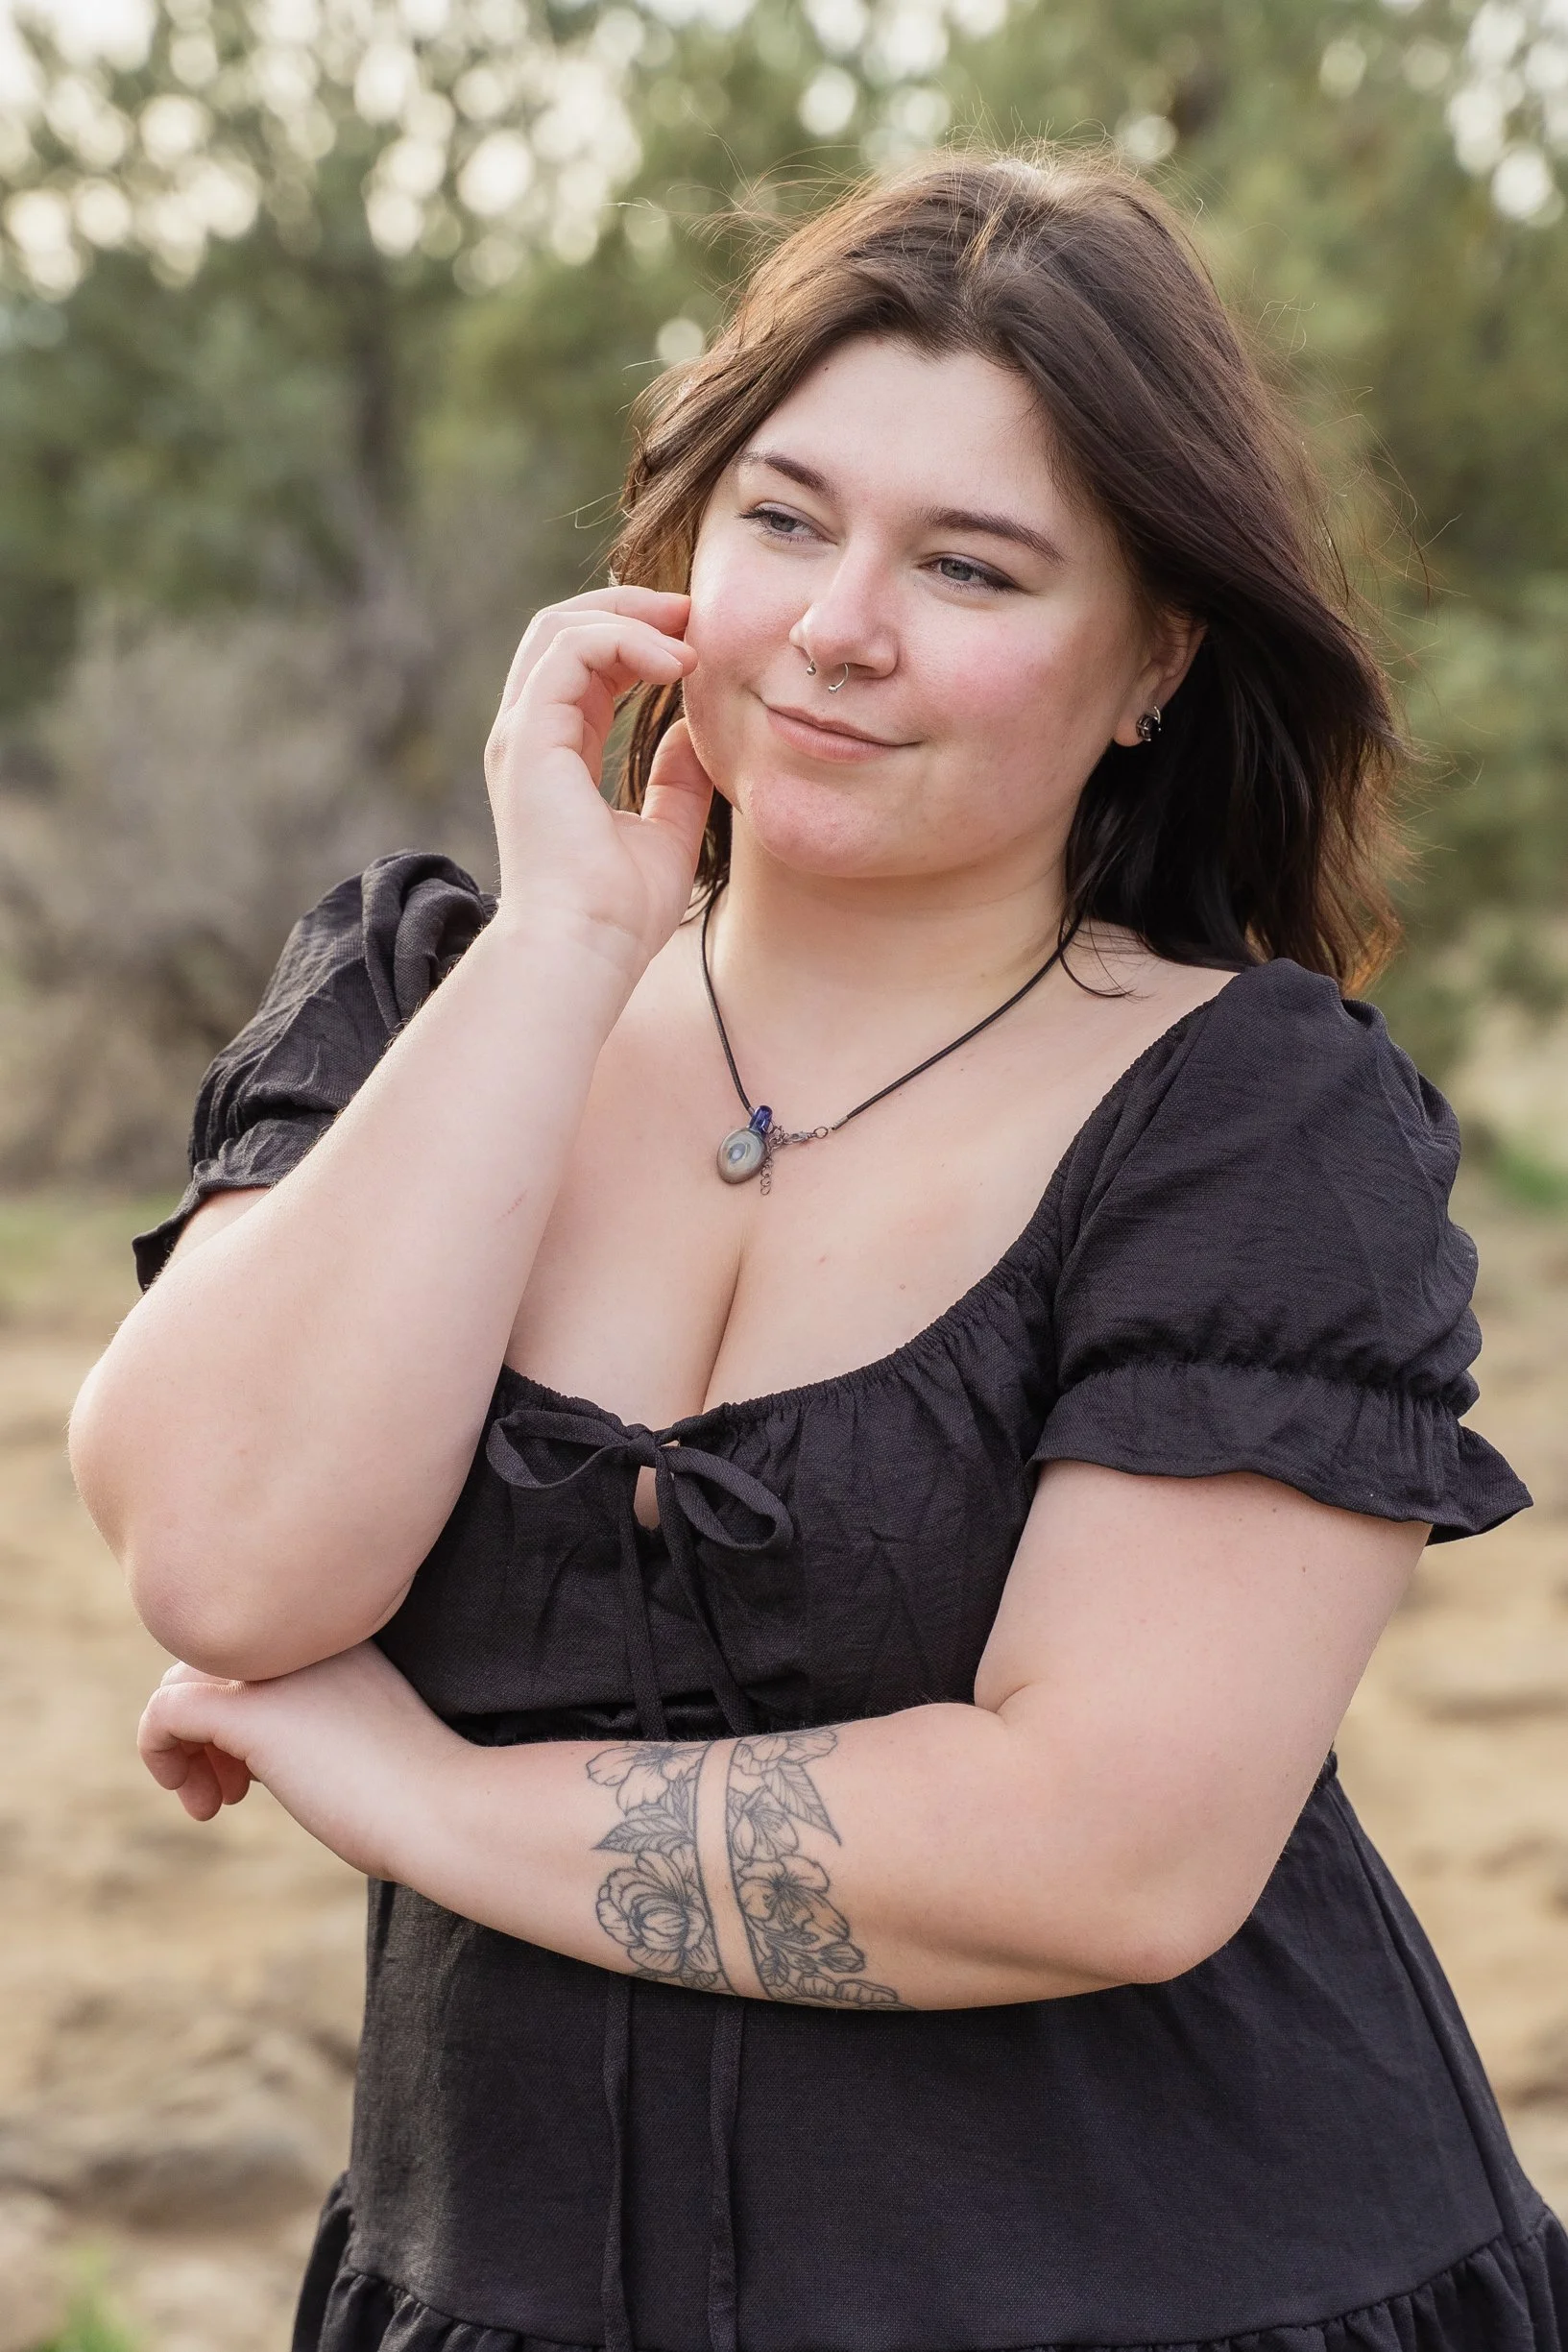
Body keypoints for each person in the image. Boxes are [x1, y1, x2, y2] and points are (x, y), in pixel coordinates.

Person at [68, 149, 1566, 2352]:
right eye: (783, 521)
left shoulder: (1257, 1121)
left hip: (1183, 2296)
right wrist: (569, 938)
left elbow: (1107, 1850)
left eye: (971, 566)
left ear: (1152, 664)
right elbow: (228, 1566)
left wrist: (428, 1798)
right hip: (497, 2292)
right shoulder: (425, 1001)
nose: (841, 627)